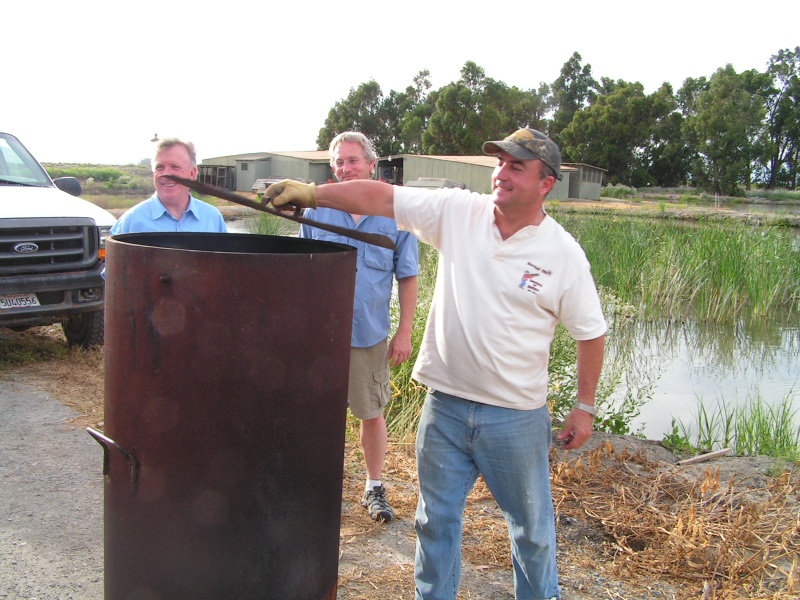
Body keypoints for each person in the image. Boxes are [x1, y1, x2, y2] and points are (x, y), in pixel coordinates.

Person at [265, 127, 607, 600]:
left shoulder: (563, 254)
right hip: (444, 407)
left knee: (531, 530)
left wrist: (583, 407)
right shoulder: (457, 212)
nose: (501, 174)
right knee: (434, 522)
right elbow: (381, 197)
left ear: (546, 183)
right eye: (499, 164)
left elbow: (591, 333)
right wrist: (312, 192)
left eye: (516, 167)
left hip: (515, 417)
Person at [299, 131, 419, 523]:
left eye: (352, 160)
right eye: (338, 162)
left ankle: (374, 487)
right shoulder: (315, 210)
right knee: (317, 414)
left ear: (371, 164)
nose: (345, 168)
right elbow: (299, 270)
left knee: (372, 411)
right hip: (320, 335)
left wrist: (404, 332)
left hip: (368, 334)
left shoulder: (395, 212)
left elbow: (408, 275)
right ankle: (317, 486)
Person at [110, 138, 227, 234]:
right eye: (159, 167)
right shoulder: (131, 222)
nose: (166, 174)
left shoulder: (212, 219)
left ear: (192, 173)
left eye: (175, 167)